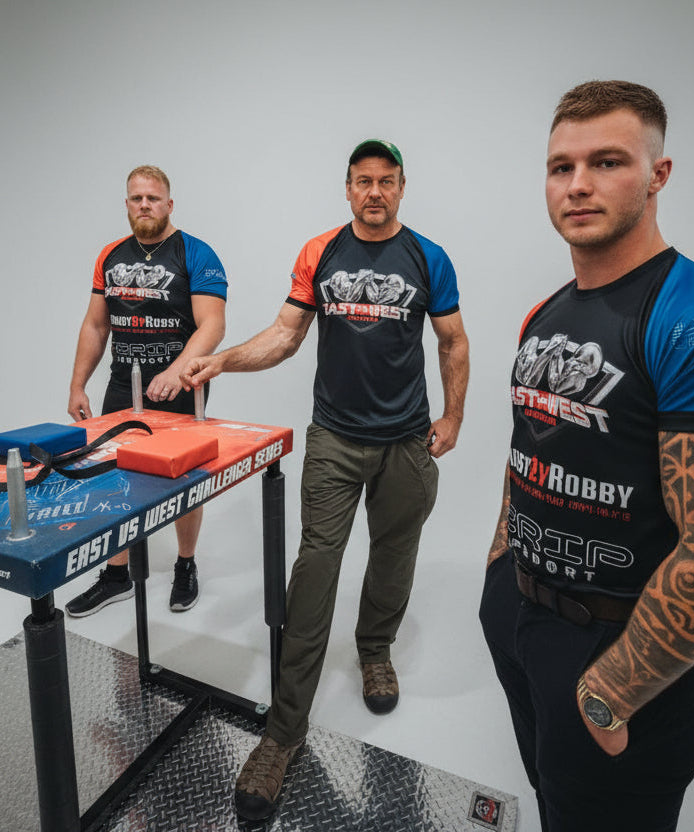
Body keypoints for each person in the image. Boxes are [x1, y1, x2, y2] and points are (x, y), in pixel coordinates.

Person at [479, 81, 694, 832]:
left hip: (620, 654)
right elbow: (529, 444)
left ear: (658, 175)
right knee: (557, 805)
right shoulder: (546, 312)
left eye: (608, 161)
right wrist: (500, 575)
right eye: (561, 167)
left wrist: (611, 691)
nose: (579, 184)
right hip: (523, 616)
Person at [180, 139, 469, 820]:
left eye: (387, 181)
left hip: (406, 441)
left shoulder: (430, 257)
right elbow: (285, 336)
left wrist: (455, 415)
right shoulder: (320, 252)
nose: (375, 192)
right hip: (335, 440)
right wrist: (222, 361)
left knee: (394, 558)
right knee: (316, 568)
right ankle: (283, 733)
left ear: (402, 188)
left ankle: (375, 652)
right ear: (347, 189)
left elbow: (452, 340)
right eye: (363, 181)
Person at [65, 165, 227, 617]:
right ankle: (116, 573)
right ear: (127, 204)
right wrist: (78, 384)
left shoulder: (195, 253)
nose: (144, 206)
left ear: (169, 204)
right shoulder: (110, 256)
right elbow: (96, 325)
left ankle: (185, 565)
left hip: (182, 387)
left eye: (153, 198)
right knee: (115, 476)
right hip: (124, 384)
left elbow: (212, 324)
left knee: (184, 481)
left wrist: (177, 370)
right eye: (136, 198)